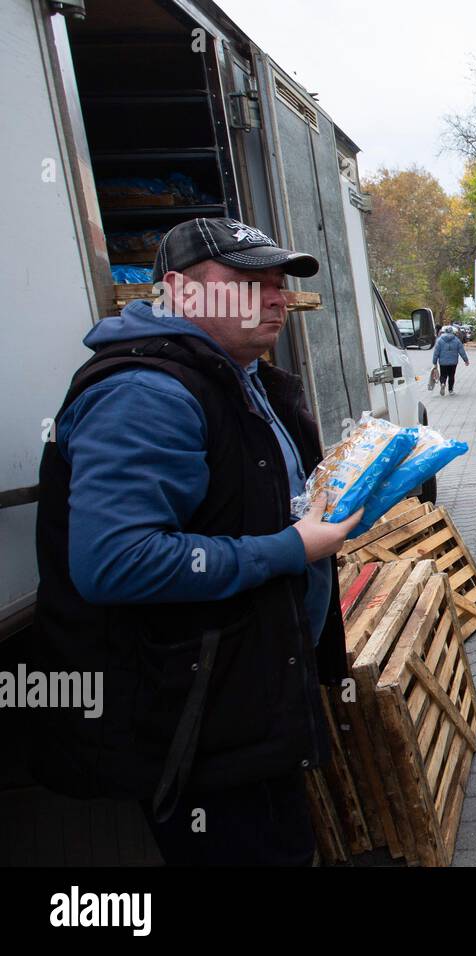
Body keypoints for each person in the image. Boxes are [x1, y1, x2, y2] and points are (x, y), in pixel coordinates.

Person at [28, 217, 362, 865]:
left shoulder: (241, 377)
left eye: (277, 284)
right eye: (248, 282)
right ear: (180, 292)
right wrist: (295, 549)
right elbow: (118, 564)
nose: (274, 298)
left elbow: (247, 506)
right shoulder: (145, 392)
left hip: (243, 702)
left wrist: (338, 513)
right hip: (194, 727)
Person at [432, 323, 469, 395]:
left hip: (443, 362)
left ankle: (443, 384)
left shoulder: (439, 340)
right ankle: (450, 390)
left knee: (443, 375)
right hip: (453, 362)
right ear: (452, 332)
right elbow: (462, 351)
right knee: (451, 375)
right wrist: (466, 360)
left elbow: (436, 352)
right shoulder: (457, 340)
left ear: (444, 332)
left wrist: (434, 362)